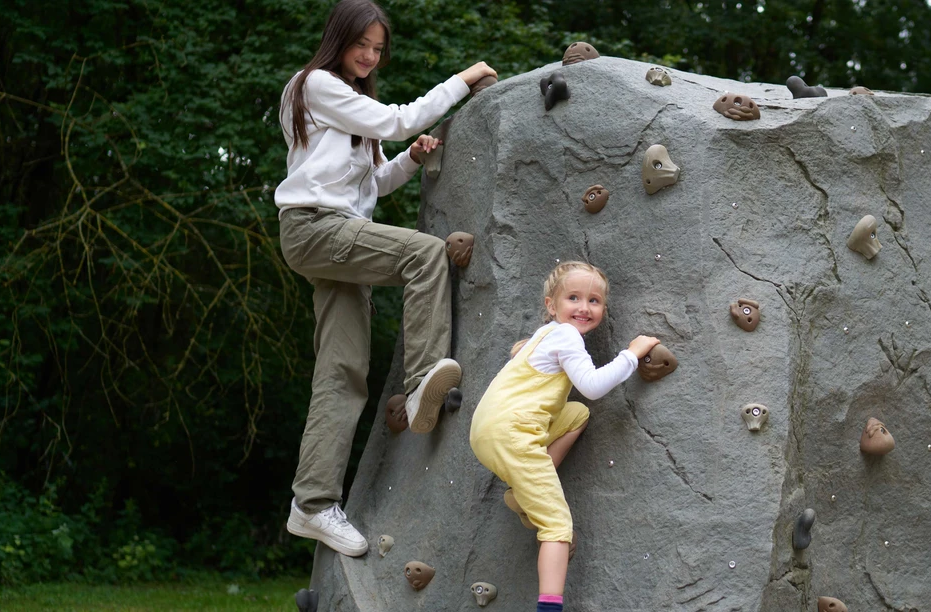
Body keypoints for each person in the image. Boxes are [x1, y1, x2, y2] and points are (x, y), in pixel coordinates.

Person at [275, 0, 497, 557]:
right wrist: (463, 80)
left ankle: (313, 504)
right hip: (314, 229)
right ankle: (424, 376)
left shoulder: (351, 104)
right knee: (425, 255)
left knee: (342, 371)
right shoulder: (315, 86)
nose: (370, 57)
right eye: (362, 46)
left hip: (338, 235)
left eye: (378, 49)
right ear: (339, 39)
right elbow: (400, 120)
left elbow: (373, 184)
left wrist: (412, 161)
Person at [470, 262, 660, 612]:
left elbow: (579, 399)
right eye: (573, 297)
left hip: (488, 430)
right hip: (514, 433)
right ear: (551, 305)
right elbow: (591, 386)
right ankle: (549, 608)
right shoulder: (566, 335)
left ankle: (522, 494)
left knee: (576, 414)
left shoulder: (544, 336)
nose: (584, 307)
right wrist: (632, 354)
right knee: (557, 526)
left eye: (594, 300)